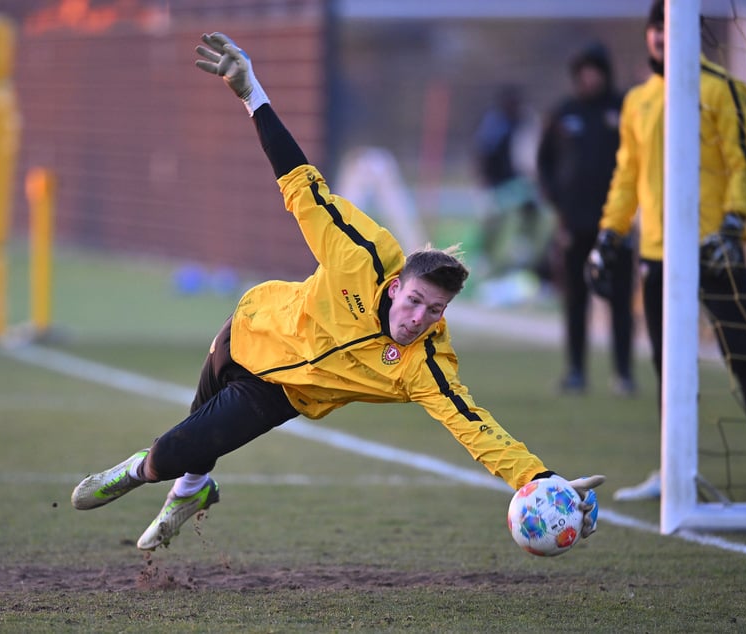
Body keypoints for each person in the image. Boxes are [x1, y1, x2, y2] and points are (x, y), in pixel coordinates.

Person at [71, 32, 606, 551]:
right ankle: (192, 491)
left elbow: (477, 429)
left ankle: (138, 472)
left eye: (436, 311)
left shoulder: (426, 365)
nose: (421, 318)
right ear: (395, 286)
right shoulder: (362, 253)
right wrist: (250, 91)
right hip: (250, 326)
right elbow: (300, 183)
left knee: (172, 449)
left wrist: (542, 479)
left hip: (279, 393)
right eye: (416, 301)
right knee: (196, 438)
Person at [591, 0, 746, 502]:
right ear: (647, 36)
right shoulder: (638, 100)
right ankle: (673, 470)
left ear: (690, 32)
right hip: (660, 257)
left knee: (743, 358)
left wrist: (732, 225)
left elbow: (745, 163)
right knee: (668, 367)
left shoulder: (721, 88)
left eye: (669, 26)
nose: (662, 36)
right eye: (654, 28)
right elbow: (626, 177)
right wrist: (609, 234)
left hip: (713, 252)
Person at [537, 42, 635, 396]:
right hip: (574, 224)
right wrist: (556, 199)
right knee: (575, 299)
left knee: (620, 301)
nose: (590, 77)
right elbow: (544, 162)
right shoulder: (563, 113)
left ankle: (624, 373)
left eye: (596, 70)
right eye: (584, 71)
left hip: (616, 225)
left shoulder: (624, 109)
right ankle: (576, 371)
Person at [472, 85, 550, 285]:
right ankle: (487, 260)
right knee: (494, 221)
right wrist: (484, 178)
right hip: (498, 184)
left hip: (520, 183)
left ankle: (522, 253)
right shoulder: (494, 123)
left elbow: (531, 156)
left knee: (531, 214)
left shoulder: (526, 122)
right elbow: (483, 151)